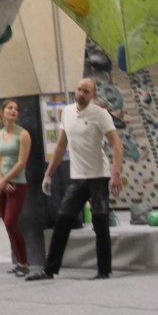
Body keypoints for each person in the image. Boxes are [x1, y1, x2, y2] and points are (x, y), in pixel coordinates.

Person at [26, 77, 123, 281]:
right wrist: (48, 173)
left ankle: (104, 270)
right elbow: (61, 145)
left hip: (98, 175)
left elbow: (116, 144)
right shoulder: (67, 112)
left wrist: (116, 172)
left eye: (86, 91)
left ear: (93, 95)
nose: (81, 94)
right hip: (78, 176)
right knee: (63, 219)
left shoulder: (100, 114)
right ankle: (49, 269)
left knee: (100, 220)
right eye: (79, 89)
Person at [0, 99, 31, 277]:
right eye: (10, 108)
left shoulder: (23, 135)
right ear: (3, 111)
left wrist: (5, 181)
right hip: (1, 184)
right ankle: (18, 262)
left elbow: (21, 163)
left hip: (17, 183)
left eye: (16, 109)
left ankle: (24, 262)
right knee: (7, 225)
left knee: (11, 222)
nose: (13, 111)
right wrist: (0, 181)